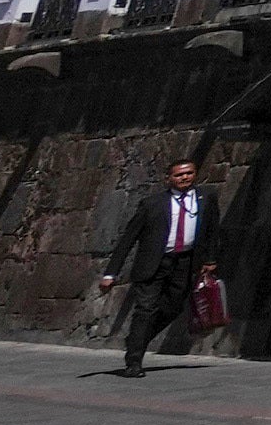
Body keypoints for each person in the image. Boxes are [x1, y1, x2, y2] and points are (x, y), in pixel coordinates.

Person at [90, 154, 220, 378]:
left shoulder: (205, 198)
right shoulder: (153, 204)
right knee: (145, 309)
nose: (185, 177)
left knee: (173, 307)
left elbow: (212, 231)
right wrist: (111, 273)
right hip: (154, 263)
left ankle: (136, 339)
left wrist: (210, 260)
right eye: (179, 175)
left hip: (186, 262)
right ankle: (134, 362)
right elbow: (128, 238)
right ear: (169, 178)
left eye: (189, 173)